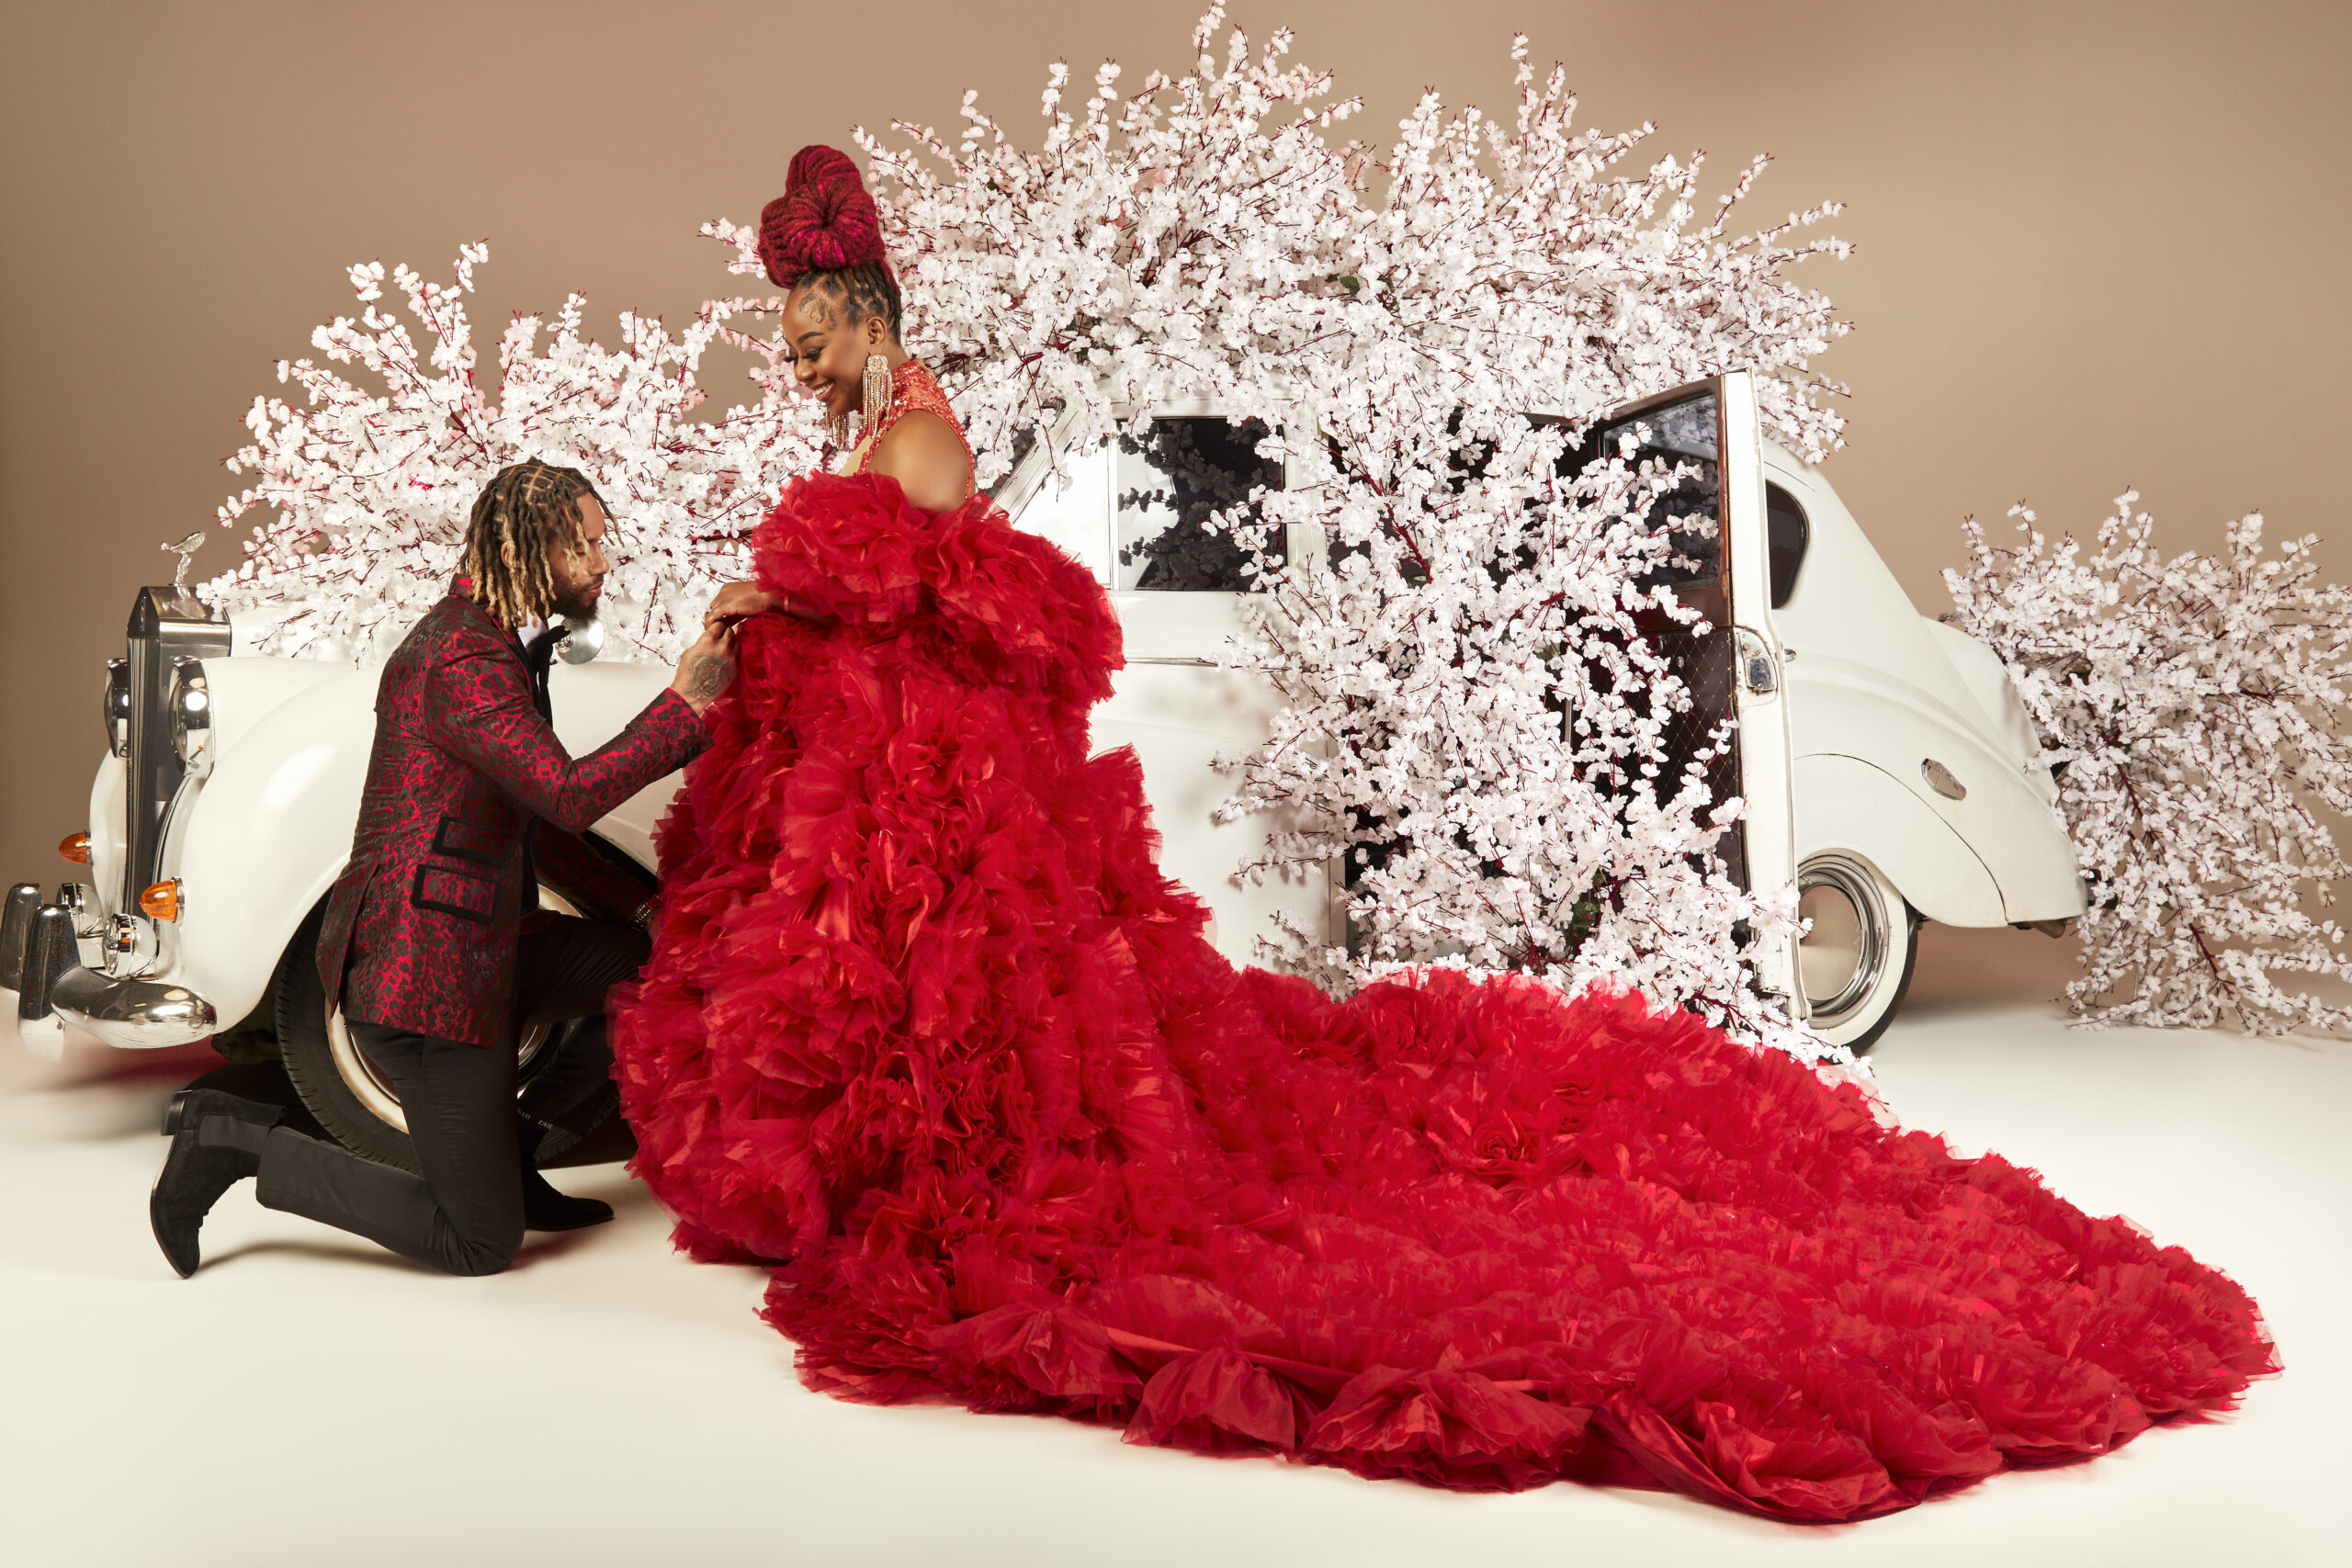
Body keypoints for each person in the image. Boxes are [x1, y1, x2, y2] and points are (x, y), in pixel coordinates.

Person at [606, 148, 2277, 1521]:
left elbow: (950, 599)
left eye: (805, 333)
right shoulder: (883, 426)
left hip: (936, 777)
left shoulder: (913, 430)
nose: (793, 361)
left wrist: (784, 594)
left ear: (861, 309)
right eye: (788, 338)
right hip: (904, 778)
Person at [150, 461, 737, 1278]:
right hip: (426, 985)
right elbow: (566, 795)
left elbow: (530, 817)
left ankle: (512, 1157)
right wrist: (687, 705)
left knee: (659, 970)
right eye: (583, 546)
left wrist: (641, 911)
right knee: (479, 1242)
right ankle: (235, 1141)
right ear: (527, 550)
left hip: (487, 948)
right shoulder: (461, 656)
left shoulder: (499, 642)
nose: (603, 563)